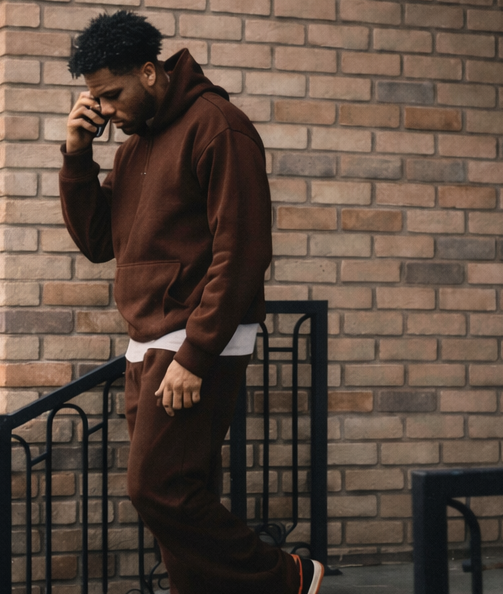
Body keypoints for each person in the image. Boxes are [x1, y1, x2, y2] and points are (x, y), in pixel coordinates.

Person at [57, 10, 324, 594]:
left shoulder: (218, 126)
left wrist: (196, 354)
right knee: (177, 495)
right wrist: (77, 157)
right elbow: (100, 243)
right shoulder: (131, 150)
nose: (105, 109)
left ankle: (287, 575)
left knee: (156, 487)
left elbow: (244, 249)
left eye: (112, 94)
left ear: (150, 72)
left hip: (196, 341)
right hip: (146, 343)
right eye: (95, 98)